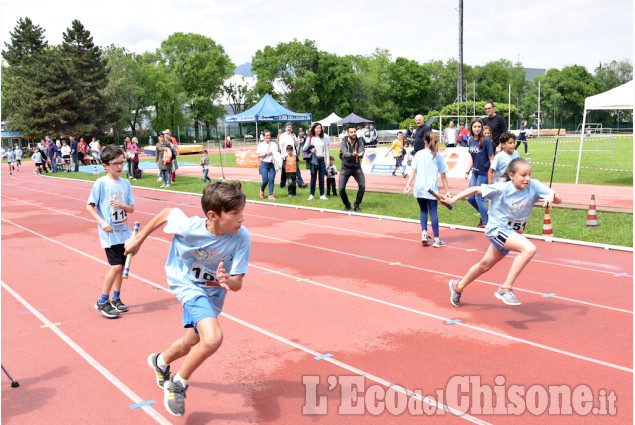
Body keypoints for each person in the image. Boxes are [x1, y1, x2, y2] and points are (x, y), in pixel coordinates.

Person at [124, 181, 251, 417]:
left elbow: (237, 284)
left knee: (192, 342)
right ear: (213, 215)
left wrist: (227, 281)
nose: (241, 218)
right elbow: (166, 213)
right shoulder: (190, 227)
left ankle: (160, 361)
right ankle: (178, 383)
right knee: (213, 338)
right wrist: (139, 239)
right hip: (187, 284)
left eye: (242, 211)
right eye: (235, 213)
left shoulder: (241, 237)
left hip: (213, 294)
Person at [445, 158, 561, 307]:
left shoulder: (534, 186)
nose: (527, 179)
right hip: (497, 229)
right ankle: (505, 288)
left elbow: (558, 200)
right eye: (523, 175)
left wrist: (554, 196)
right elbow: (475, 190)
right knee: (529, 249)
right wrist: (452, 199)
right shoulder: (502, 188)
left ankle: (458, 286)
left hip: (512, 233)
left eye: (529, 175)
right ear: (512, 175)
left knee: (485, 265)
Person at [86, 144, 135, 318]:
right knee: (115, 267)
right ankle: (102, 301)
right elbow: (89, 206)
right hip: (109, 233)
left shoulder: (126, 183)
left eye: (122, 162)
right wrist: (101, 222)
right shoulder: (101, 183)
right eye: (116, 163)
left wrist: (122, 205)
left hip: (124, 232)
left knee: (121, 268)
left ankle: (116, 298)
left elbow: (131, 209)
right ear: (105, 165)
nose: (120, 166)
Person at [404, 132, 450, 248]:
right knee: (433, 211)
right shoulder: (437, 156)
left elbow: (413, 170)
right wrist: (447, 191)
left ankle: (424, 233)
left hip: (419, 187)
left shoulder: (419, 154)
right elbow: (443, 175)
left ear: (425, 141)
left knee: (423, 210)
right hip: (431, 189)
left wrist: (408, 185)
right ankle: (436, 239)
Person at [465, 119, 494, 228]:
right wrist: (467, 171)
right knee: (469, 198)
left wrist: (491, 174)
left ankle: (486, 223)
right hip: (475, 173)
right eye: (474, 126)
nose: (477, 128)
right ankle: (486, 216)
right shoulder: (471, 140)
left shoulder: (486, 141)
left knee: (478, 198)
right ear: (471, 128)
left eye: (479, 126)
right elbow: (472, 158)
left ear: (481, 128)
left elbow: (491, 158)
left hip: (484, 173)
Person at [339, 125, 365, 211]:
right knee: (341, 189)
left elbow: (361, 150)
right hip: (345, 168)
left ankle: (356, 205)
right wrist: (352, 154)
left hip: (356, 167)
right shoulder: (343, 142)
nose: (354, 133)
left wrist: (360, 154)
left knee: (362, 186)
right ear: (348, 133)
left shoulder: (360, 141)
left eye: (354, 132)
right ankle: (347, 205)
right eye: (351, 132)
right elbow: (345, 154)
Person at [304, 122, 330, 200]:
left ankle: (322, 194)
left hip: (322, 160)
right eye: (318, 128)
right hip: (313, 160)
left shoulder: (323, 138)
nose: (319, 129)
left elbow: (326, 150)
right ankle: (312, 194)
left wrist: (327, 161)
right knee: (313, 177)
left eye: (320, 128)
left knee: (321, 177)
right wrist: (311, 149)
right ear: (314, 129)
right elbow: (304, 147)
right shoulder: (310, 138)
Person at [278, 122, 306, 189]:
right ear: (285, 128)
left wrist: (294, 138)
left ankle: (301, 183)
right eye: (288, 127)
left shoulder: (293, 135)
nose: (289, 128)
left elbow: (296, 145)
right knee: (285, 171)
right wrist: (285, 154)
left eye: (290, 127)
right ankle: (283, 184)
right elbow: (281, 146)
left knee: (297, 170)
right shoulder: (282, 136)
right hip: (286, 156)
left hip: (293, 155)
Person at [257, 130, 277, 200]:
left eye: (269, 135)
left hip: (272, 164)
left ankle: (270, 194)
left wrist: (272, 153)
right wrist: (265, 154)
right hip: (264, 164)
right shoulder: (261, 145)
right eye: (267, 135)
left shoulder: (273, 144)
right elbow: (258, 156)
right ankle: (262, 190)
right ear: (264, 136)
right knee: (265, 180)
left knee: (271, 180)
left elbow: (276, 153)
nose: (268, 137)